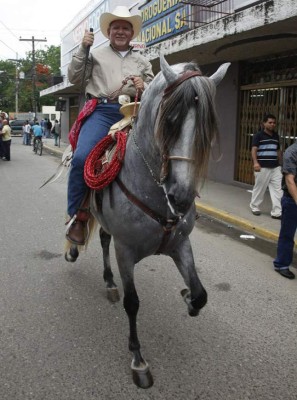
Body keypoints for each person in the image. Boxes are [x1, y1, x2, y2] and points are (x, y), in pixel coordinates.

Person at [65, 5, 154, 245]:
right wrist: (83, 47)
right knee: (83, 157)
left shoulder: (143, 61)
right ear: (108, 31)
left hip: (135, 112)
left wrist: (143, 86)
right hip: (103, 112)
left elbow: (153, 89)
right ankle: (78, 217)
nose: (121, 31)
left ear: (132, 33)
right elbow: (74, 77)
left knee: (161, 155)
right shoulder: (94, 55)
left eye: (126, 28)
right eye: (116, 27)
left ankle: (172, 207)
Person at [249, 113, 283, 219]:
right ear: (264, 123)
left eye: (274, 123)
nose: (272, 124)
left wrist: (280, 164)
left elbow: (278, 150)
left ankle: (277, 212)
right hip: (262, 167)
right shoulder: (258, 136)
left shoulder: (276, 136)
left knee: (277, 190)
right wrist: (255, 163)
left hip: (275, 168)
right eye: (270, 122)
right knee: (259, 188)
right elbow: (254, 150)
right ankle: (254, 206)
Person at [273, 141, 297, 279]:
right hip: (291, 200)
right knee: (287, 235)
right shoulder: (291, 152)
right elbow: (290, 180)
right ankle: (281, 264)